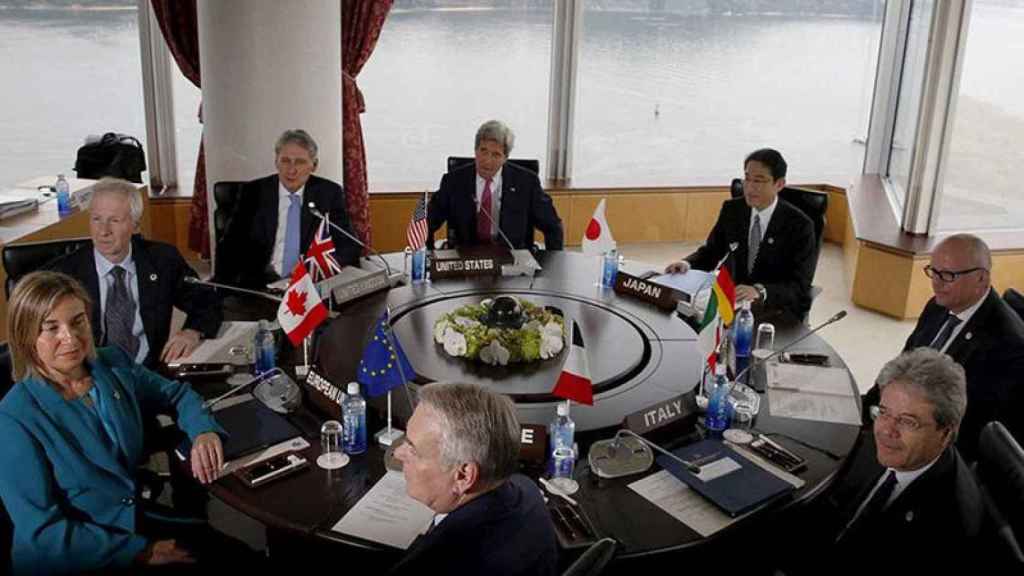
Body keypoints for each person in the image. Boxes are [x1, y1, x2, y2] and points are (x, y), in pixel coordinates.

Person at [0, 271, 242, 574]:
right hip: (77, 551)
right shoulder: (13, 417)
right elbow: (43, 532)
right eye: (51, 328)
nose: (71, 338)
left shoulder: (112, 362)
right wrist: (140, 552)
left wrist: (204, 430)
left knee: (241, 556)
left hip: (132, 518)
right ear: (26, 337)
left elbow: (177, 393)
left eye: (77, 321)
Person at [797, 348, 987, 572]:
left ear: (945, 433)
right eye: (884, 412)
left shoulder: (949, 527)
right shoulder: (882, 446)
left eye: (907, 422)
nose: (887, 430)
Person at [862, 234, 1024, 461]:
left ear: (981, 278)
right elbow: (901, 368)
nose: (936, 283)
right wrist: (863, 412)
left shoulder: (1008, 346)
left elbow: (972, 431)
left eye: (948, 275)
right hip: (898, 421)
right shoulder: (938, 306)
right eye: (933, 271)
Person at [49, 177, 222, 367]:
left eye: (114, 220)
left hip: (150, 374)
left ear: (136, 226)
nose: (103, 231)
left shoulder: (161, 259)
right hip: (92, 376)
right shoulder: (64, 274)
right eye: (96, 219)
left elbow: (206, 301)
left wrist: (192, 331)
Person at [390, 382, 558, 575]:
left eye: (413, 449)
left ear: (463, 476)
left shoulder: (437, 562)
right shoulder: (526, 489)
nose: (397, 453)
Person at [664, 148, 816, 320]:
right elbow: (712, 252)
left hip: (773, 307)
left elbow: (800, 286)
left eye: (759, 181)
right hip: (731, 300)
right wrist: (687, 263)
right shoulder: (732, 210)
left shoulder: (800, 226)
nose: (750, 187)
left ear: (779, 184)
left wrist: (760, 291)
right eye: (747, 178)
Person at [215, 129, 361, 289]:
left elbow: (349, 245)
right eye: (285, 161)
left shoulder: (329, 193)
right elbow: (229, 245)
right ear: (276, 162)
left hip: (308, 284)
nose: (291, 170)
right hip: (259, 284)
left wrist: (317, 269)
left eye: (300, 162)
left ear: (314, 165)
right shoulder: (253, 192)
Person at [427, 120, 564, 251]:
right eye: (483, 151)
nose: (487, 160)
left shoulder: (526, 183)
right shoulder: (453, 181)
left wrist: (550, 266)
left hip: (512, 260)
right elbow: (426, 223)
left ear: (505, 158)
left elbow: (552, 227)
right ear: (475, 150)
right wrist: (427, 258)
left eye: (496, 154)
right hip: (465, 259)